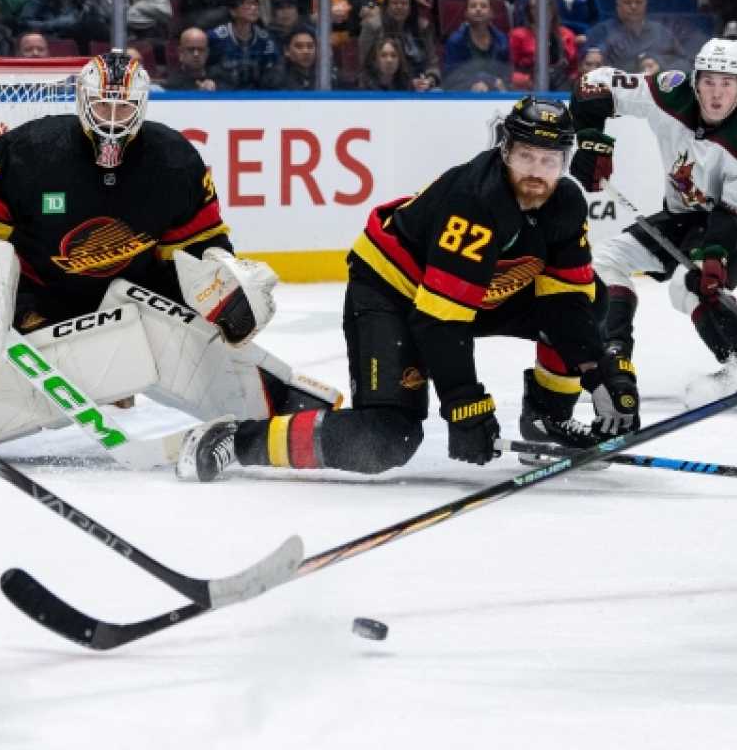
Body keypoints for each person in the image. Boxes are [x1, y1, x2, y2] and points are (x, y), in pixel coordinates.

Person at [0, 50, 336, 463]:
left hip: (134, 293)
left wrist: (224, 288)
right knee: (94, 354)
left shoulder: (174, 162)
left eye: (124, 109)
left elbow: (200, 245)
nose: (113, 121)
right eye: (104, 107)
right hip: (40, 302)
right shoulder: (35, 150)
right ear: (83, 102)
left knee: (157, 339)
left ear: (141, 108)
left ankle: (291, 413)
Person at [175, 96, 626, 482]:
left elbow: (567, 303)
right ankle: (238, 440)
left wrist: (599, 371)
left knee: (592, 297)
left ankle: (548, 418)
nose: (536, 171)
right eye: (526, 155)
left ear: (564, 164)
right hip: (394, 294)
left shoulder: (565, 203)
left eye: (549, 161)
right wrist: (464, 404)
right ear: (505, 150)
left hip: (470, 297)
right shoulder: (475, 202)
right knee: (386, 438)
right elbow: (439, 321)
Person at [574, 38, 737, 409]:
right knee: (605, 260)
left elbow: (734, 216)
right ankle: (615, 353)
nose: (717, 94)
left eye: (727, 83)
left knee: (689, 285)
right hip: (683, 215)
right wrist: (592, 141)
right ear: (695, 79)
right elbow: (594, 85)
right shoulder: (670, 93)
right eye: (709, 82)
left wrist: (713, 257)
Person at [164, 26, 218, 90]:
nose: (196, 54)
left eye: (201, 50)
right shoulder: (172, 84)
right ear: (181, 53)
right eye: (191, 49)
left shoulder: (219, 78)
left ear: (207, 53)